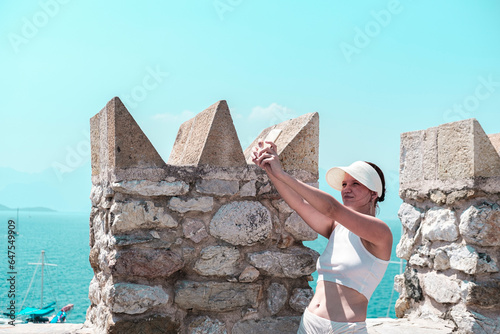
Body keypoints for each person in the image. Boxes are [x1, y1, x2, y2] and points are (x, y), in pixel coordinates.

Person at [252, 140, 393, 334]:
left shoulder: (380, 232)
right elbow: (299, 204)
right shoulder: (338, 227)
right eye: (344, 184)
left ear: (373, 193)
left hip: (345, 329)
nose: (346, 189)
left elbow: (331, 208)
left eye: (355, 184)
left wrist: (283, 173)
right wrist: (270, 170)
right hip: (310, 324)